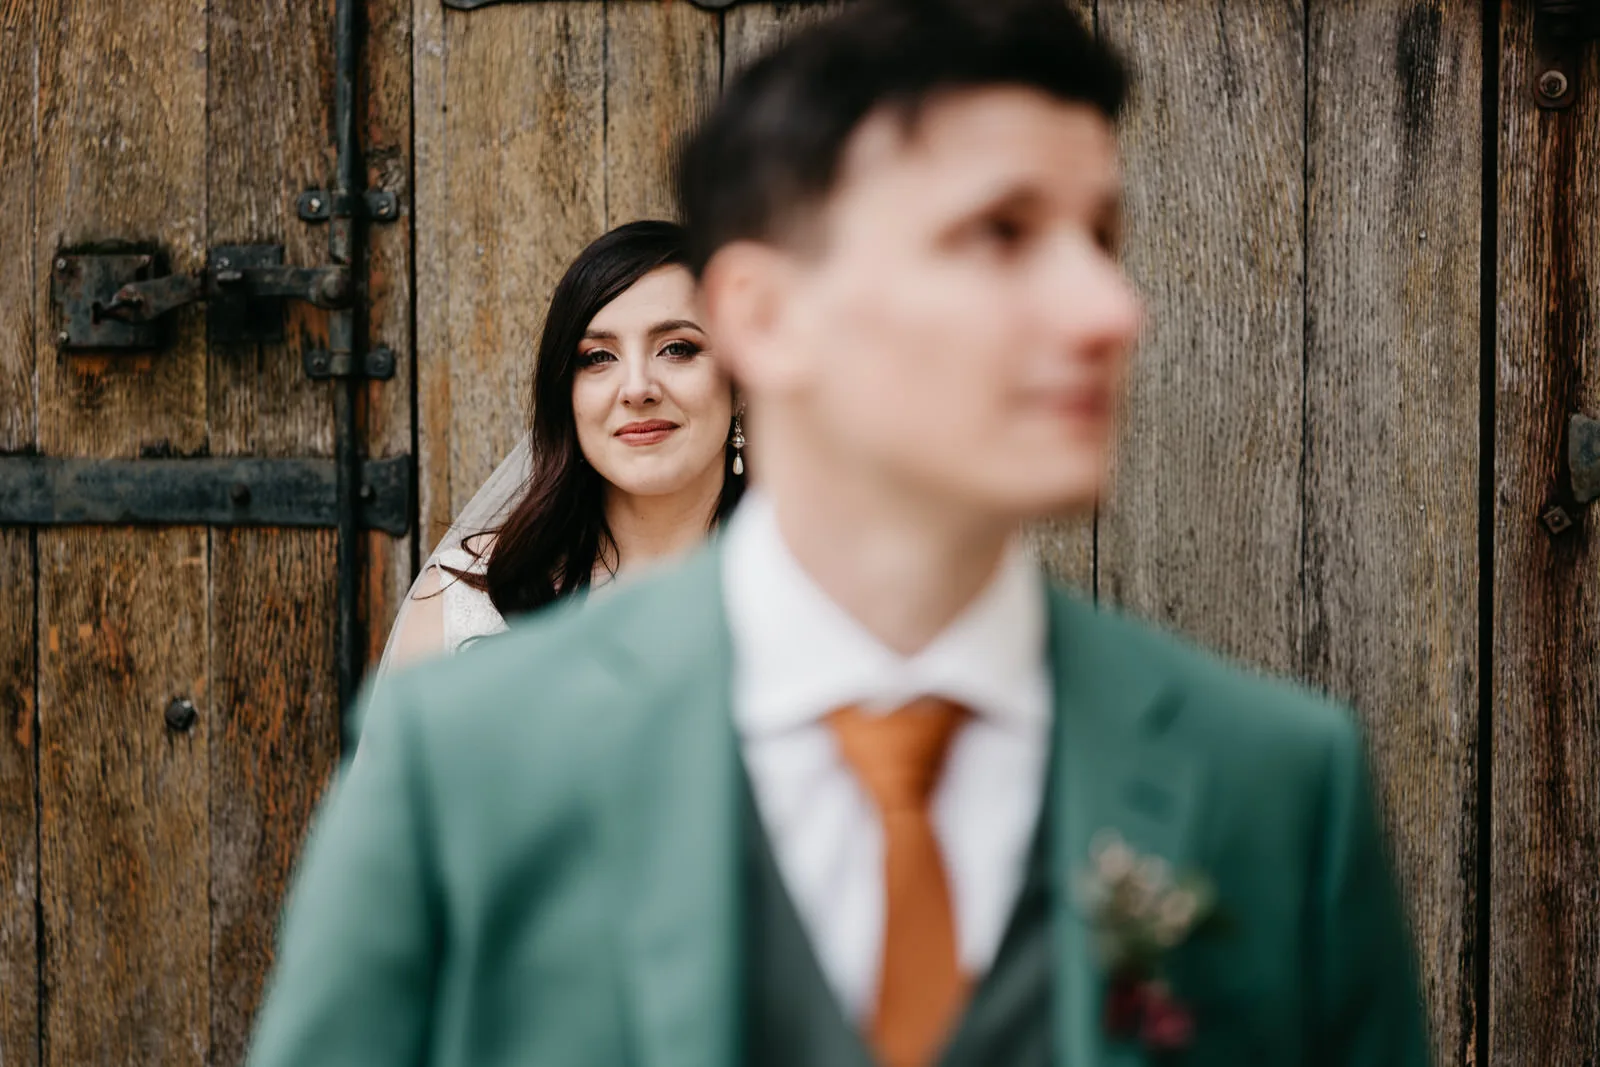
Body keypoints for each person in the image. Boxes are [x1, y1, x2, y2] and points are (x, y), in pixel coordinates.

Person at [248, 2, 1429, 1066]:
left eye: (1102, 237)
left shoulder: (1279, 782)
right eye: (1000, 234)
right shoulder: (463, 757)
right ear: (765, 317)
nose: (1108, 309)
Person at [380, 220, 745, 671]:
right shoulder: (460, 607)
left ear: (741, 377)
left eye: (677, 348)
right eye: (598, 357)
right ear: (565, 396)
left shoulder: (827, 596)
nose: (636, 388)